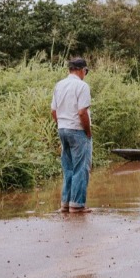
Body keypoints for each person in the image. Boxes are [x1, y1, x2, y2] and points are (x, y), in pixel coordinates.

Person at [51, 57, 93, 213]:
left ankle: (65, 204)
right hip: (77, 130)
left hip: (62, 129)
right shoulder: (82, 86)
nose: (85, 74)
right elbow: (82, 112)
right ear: (82, 70)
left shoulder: (59, 85)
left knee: (68, 168)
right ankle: (77, 204)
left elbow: (53, 111)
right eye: (86, 71)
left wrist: (61, 125)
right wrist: (88, 132)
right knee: (81, 168)